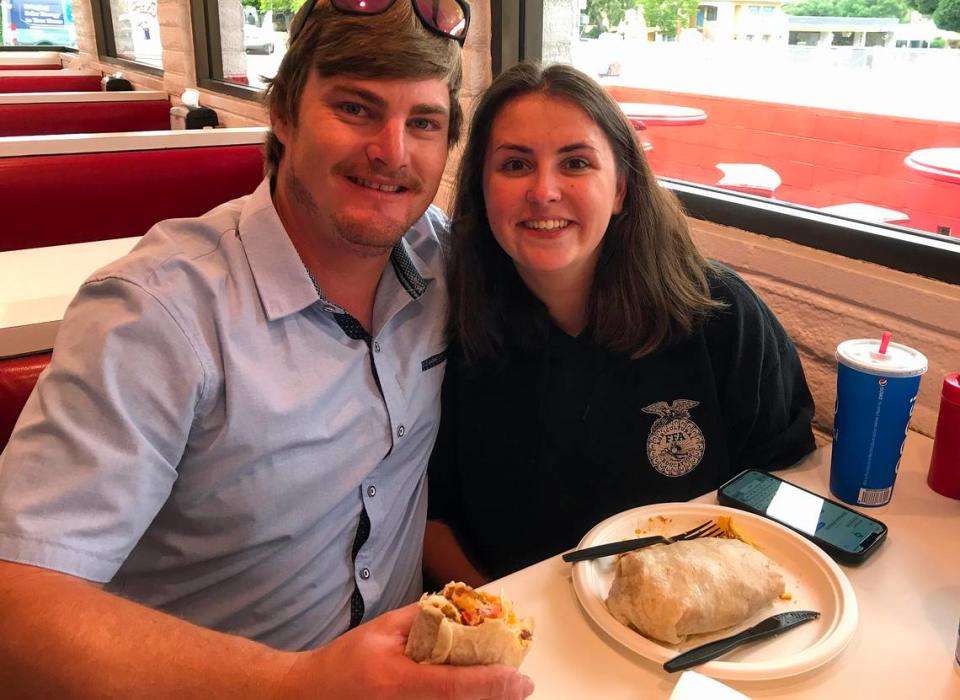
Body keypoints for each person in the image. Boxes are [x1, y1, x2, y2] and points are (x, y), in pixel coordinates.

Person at [0, 1, 534, 698]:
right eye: (356, 108)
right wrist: (301, 682)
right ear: (282, 113)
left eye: (424, 123)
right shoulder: (159, 314)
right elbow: (17, 607)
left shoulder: (443, 261)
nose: (393, 152)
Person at [423, 62, 816, 586]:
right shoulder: (445, 327)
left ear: (623, 190)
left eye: (576, 163)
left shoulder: (721, 314)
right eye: (515, 165)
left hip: (697, 626)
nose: (543, 191)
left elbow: (784, 477)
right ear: (482, 189)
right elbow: (429, 517)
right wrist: (500, 621)